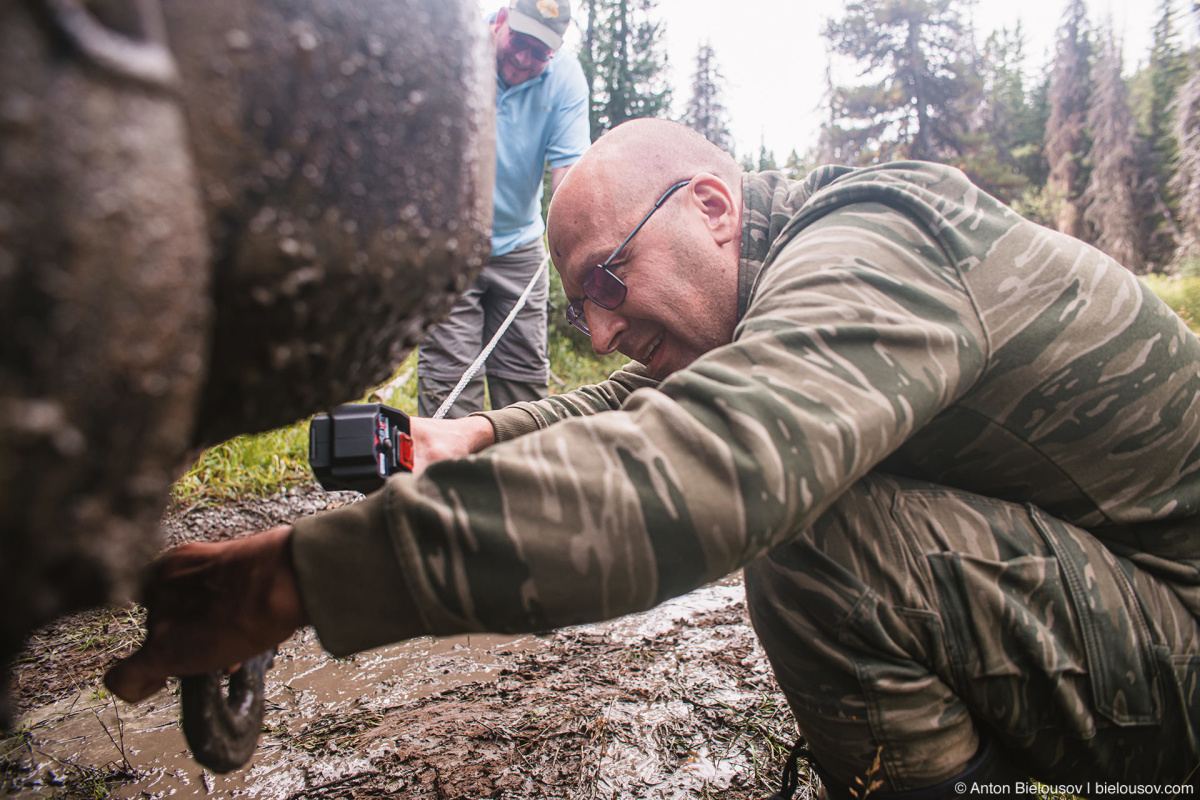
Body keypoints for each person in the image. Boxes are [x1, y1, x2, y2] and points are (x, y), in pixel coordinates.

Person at [106, 119, 1200, 799]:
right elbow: (654, 396)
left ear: (713, 208)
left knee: (819, 534)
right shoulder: (793, 266)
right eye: (582, 308)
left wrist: (295, 576)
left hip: (1180, 628)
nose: (605, 327)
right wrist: (470, 434)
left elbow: (711, 462)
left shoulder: (875, 241)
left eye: (609, 280)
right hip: (1139, 598)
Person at [415, 0, 590, 419]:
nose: (525, 58)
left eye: (540, 51)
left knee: (524, 382)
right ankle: (449, 483)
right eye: (520, 41)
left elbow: (569, 181)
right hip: (451, 246)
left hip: (521, 249)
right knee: (450, 385)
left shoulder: (565, 80)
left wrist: (575, 261)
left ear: (557, 49)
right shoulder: (452, 53)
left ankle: (521, 481)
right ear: (501, 18)